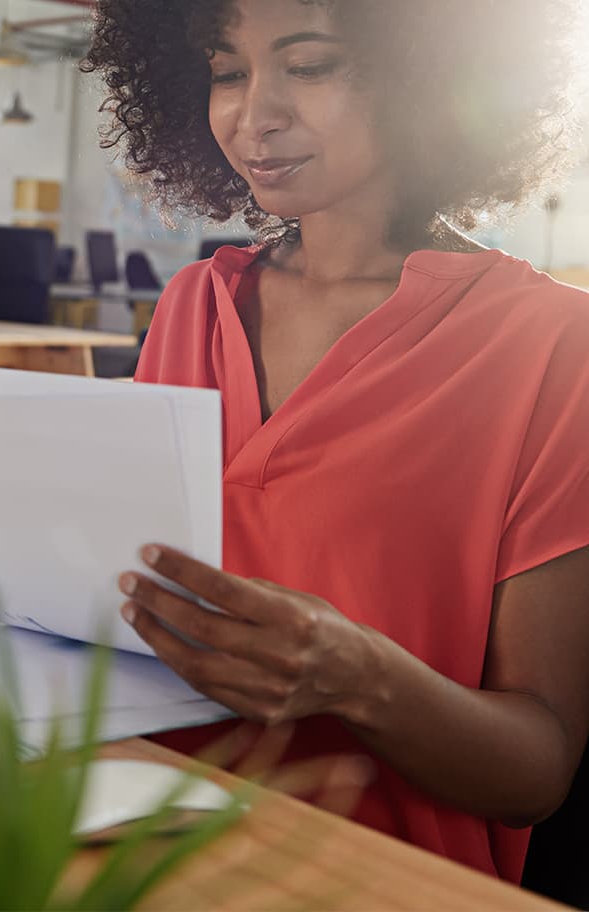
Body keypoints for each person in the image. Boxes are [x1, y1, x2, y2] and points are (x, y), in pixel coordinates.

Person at [82, 0, 589, 884]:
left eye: (308, 66)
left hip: (375, 881)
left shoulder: (553, 347)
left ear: (426, 75)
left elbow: (535, 772)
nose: (254, 114)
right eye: (226, 71)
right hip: (148, 847)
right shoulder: (191, 309)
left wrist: (358, 676)